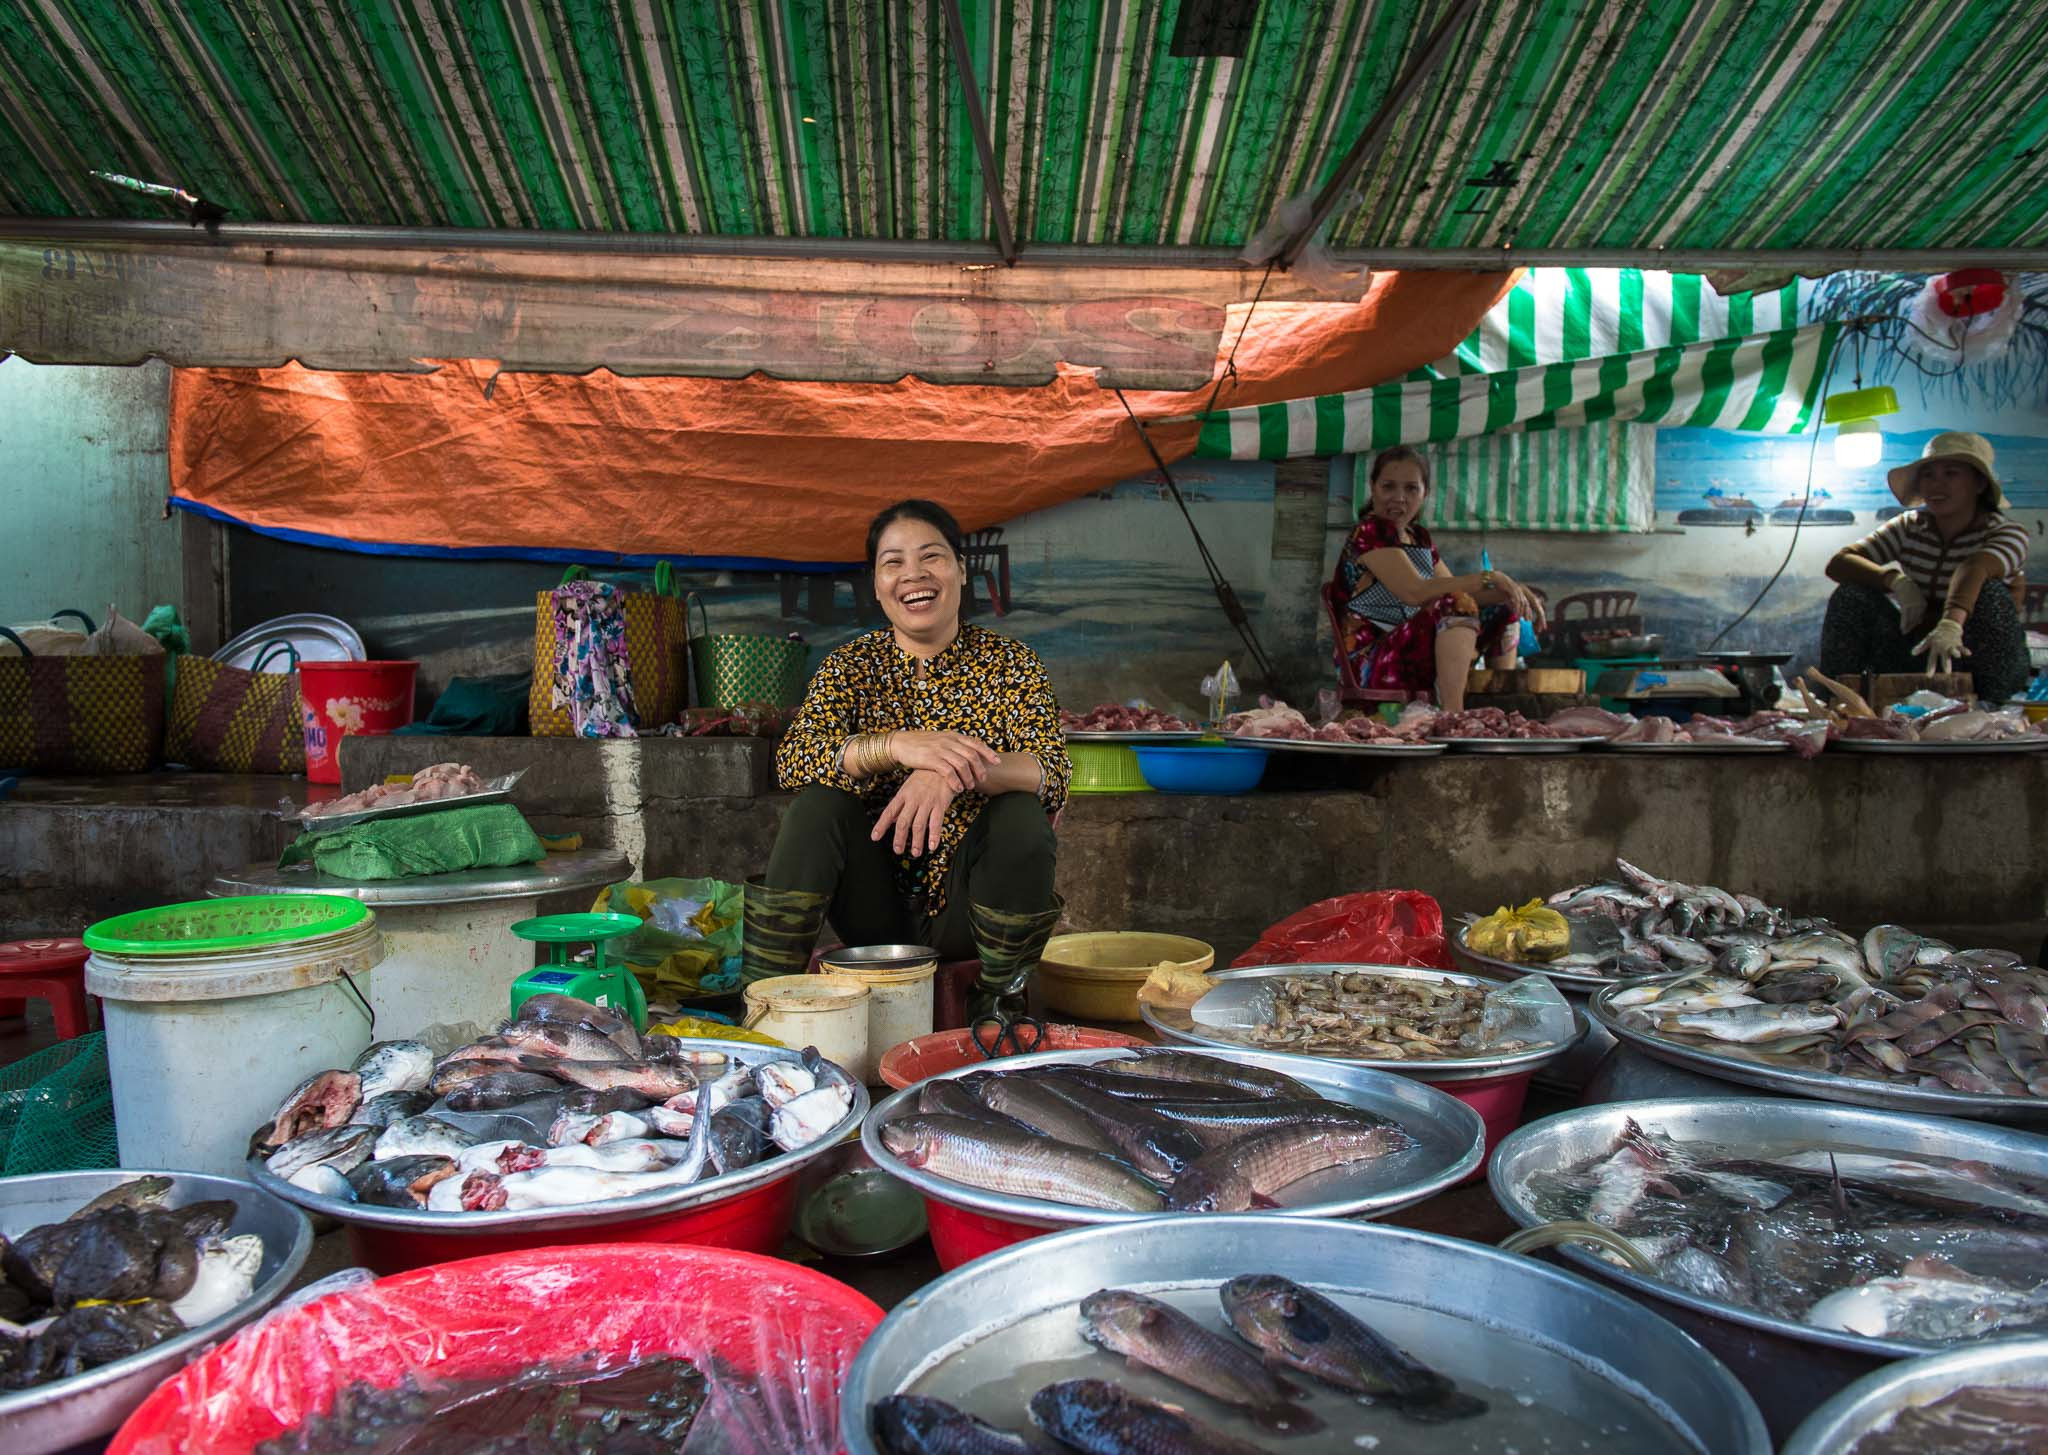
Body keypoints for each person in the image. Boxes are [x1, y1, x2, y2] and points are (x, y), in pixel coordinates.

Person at [746, 499, 1072, 1021]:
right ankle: (762, 1003)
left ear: (961, 570)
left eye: (932, 557)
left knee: (1021, 815)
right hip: (873, 907)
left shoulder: (1012, 664)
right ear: (876, 584)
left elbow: (1051, 772)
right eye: (893, 562)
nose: (913, 575)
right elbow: (795, 759)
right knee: (817, 807)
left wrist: (949, 772)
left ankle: (997, 1002)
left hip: (973, 910)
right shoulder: (851, 667)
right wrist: (895, 746)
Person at [1332, 445, 1549, 711]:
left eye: (1411, 489)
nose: (1399, 498)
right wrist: (1491, 577)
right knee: (1456, 604)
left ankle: (1499, 706)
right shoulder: (1370, 531)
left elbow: (1460, 592)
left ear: (1426, 494)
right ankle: (1453, 715)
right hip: (1372, 661)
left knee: (1504, 606)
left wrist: (1512, 591)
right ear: (1373, 487)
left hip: (1413, 649)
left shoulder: (1419, 537)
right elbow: (1416, 592)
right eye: (1388, 486)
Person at [1821, 431, 2032, 703]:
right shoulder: (1909, 526)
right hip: (1917, 654)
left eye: (1951, 473)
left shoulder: (2007, 532)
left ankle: (1991, 707)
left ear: (1979, 484)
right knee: (1851, 595)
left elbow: (1974, 567)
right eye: (1928, 475)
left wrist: (1951, 624)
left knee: (1992, 593)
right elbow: (1839, 563)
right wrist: (1895, 581)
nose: (1936, 485)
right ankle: (1841, 703)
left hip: (1978, 659)